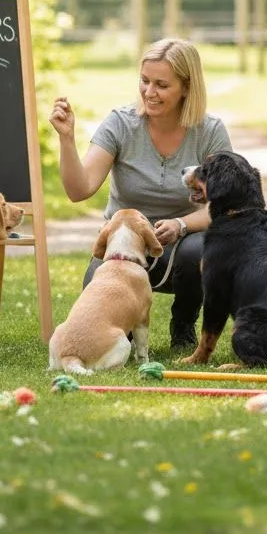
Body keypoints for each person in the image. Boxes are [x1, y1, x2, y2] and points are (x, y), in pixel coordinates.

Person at [49, 38, 232, 350]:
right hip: (122, 247)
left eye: (162, 85)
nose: (149, 92)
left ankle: (183, 323)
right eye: (145, 81)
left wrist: (181, 225)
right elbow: (79, 190)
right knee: (109, 325)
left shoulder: (210, 131)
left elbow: (224, 205)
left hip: (180, 248)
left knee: (199, 251)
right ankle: (127, 329)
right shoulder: (121, 123)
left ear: (186, 88)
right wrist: (66, 139)